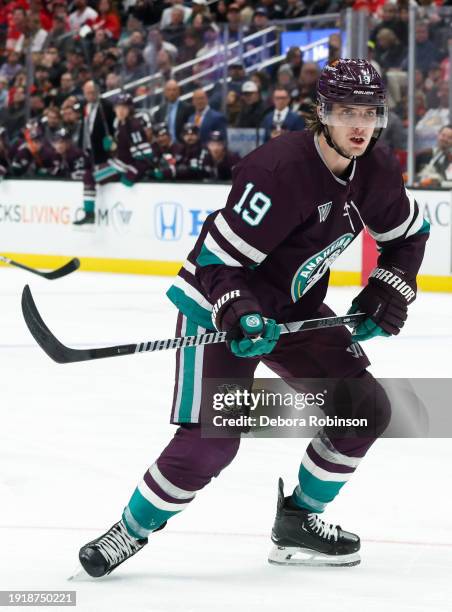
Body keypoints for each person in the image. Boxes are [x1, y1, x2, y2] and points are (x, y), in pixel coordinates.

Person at [77, 59, 429, 577]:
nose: (360, 126)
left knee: (366, 406)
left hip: (293, 308)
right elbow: (220, 261)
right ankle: (127, 532)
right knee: (212, 443)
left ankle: (299, 521)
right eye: (348, 112)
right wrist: (240, 313)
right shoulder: (277, 170)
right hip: (219, 305)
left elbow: (406, 237)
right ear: (323, 113)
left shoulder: (375, 169)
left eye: (370, 113)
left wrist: (388, 290)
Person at [74, 79, 115, 226]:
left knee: (90, 176)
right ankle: (89, 212)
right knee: (85, 174)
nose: (90, 95)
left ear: (98, 91)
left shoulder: (106, 107)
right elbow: (85, 128)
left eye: (93, 92)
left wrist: (111, 140)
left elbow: (113, 127)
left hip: (103, 154)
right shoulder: (86, 106)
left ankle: (89, 213)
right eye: (88, 93)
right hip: (89, 152)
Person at [152, 80, 193, 144]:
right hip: (166, 146)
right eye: (169, 90)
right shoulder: (161, 110)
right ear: (165, 92)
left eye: (174, 90)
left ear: (179, 91)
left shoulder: (187, 108)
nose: (172, 93)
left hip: (182, 145)